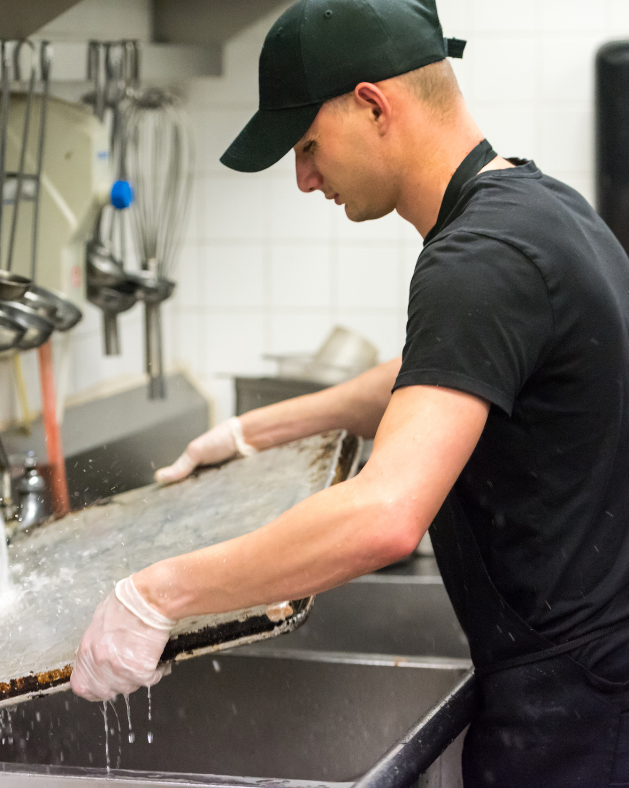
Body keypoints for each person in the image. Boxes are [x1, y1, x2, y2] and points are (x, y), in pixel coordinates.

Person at [70, 0, 629, 783]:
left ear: (372, 105)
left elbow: (385, 518)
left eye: (306, 145)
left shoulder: (478, 258)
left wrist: (156, 593)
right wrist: (253, 432)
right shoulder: (538, 208)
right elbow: (434, 377)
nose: (304, 179)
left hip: (578, 710)